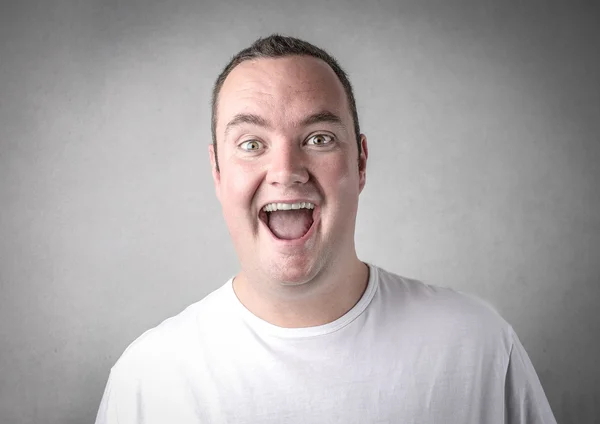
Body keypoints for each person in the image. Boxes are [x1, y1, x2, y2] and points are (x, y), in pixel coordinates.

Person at [95, 34, 556, 423]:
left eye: (318, 139)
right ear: (218, 172)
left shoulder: (478, 347)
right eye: (252, 143)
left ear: (360, 161)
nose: (286, 170)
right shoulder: (149, 378)